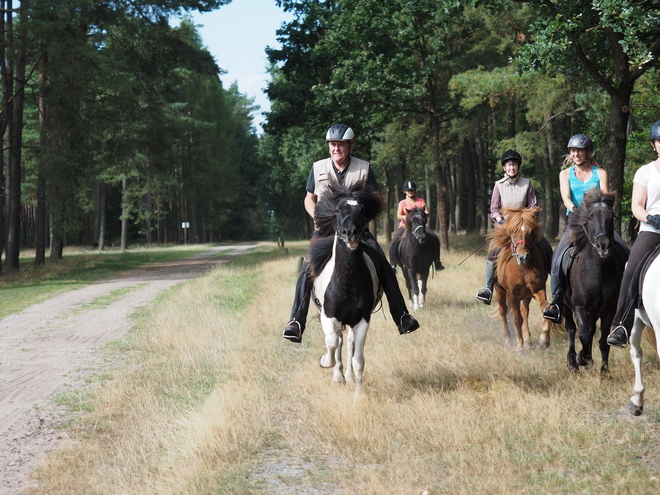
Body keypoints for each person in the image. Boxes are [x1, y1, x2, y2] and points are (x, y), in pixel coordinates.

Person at [283, 124, 420, 343]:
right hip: (326, 231)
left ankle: (401, 316)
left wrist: (361, 220)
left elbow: (373, 202)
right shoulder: (318, 167)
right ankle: (296, 321)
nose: (336, 149)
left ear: (350, 145)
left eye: (340, 145)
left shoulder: (364, 168)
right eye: (332, 145)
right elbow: (310, 197)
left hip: (358, 231)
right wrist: (315, 215)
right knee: (307, 267)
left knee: (383, 264)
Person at [542, 134, 628, 322]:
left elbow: (605, 196)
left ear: (588, 152)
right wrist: (575, 210)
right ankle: (556, 302)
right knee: (557, 259)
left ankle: (627, 301)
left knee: (625, 252)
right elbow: (565, 197)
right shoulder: (565, 173)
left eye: (579, 150)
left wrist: (599, 214)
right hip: (575, 223)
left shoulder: (601, 173)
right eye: (573, 150)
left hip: (599, 223)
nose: (576, 154)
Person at [607, 121, 660, 347]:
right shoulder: (645, 172)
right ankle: (620, 326)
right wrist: (650, 218)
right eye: (659, 141)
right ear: (654, 145)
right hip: (653, 229)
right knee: (630, 269)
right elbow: (636, 205)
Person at [476, 149, 548, 304]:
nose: (512, 167)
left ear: (518, 167)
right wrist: (502, 222)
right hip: (505, 228)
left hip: (524, 227)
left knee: (545, 246)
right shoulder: (498, 185)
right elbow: (494, 210)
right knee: (493, 251)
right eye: (509, 165)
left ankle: (551, 279)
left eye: (514, 164)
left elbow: (533, 206)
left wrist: (527, 220)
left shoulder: (527, 184)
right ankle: (488, 288)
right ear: (504, 168)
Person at [389, 180, 444, 273]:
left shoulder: (421, 201)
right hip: (405, 226)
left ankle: (437, 261)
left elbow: (427, 212)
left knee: (434, 237)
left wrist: (422, 215)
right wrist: (408, 217)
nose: (411, 192)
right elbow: (398, 215)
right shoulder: (402, 203)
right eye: (409, 190)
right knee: (393, 243)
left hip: (419, 226)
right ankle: (393, 265)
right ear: (405, 191)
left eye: (412, 190)